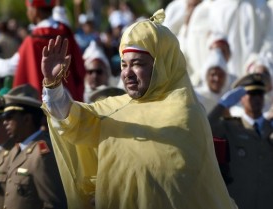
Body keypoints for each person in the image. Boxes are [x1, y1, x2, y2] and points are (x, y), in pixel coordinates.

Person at [41, 9, 237, 209]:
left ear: (162, 65)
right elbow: (71, 120)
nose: (127, 73)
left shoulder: (188, 113)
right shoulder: (112, 109)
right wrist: (53, 84)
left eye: (137, 64)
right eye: (124, 65)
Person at [0, 0, 85, 101]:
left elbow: (11, 67)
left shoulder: (32, 40)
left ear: (35, 11)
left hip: (44, 107)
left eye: (28, 9)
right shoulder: (65, 31)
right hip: (70, 103)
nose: (27, 13)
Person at [208, 73, 273, 209]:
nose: (257, 98)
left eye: (260, 94)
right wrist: (221, 105)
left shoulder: (270, 128)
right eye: (252, 93)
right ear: (240, 98)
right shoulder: (230, 127)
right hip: (239, 203)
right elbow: (205, 129)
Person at [1, 84, 67, 209]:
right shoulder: (18, 149)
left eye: (9, 117)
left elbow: (53, 202)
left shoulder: (41, 154)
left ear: (27, 119)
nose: (5, 122)